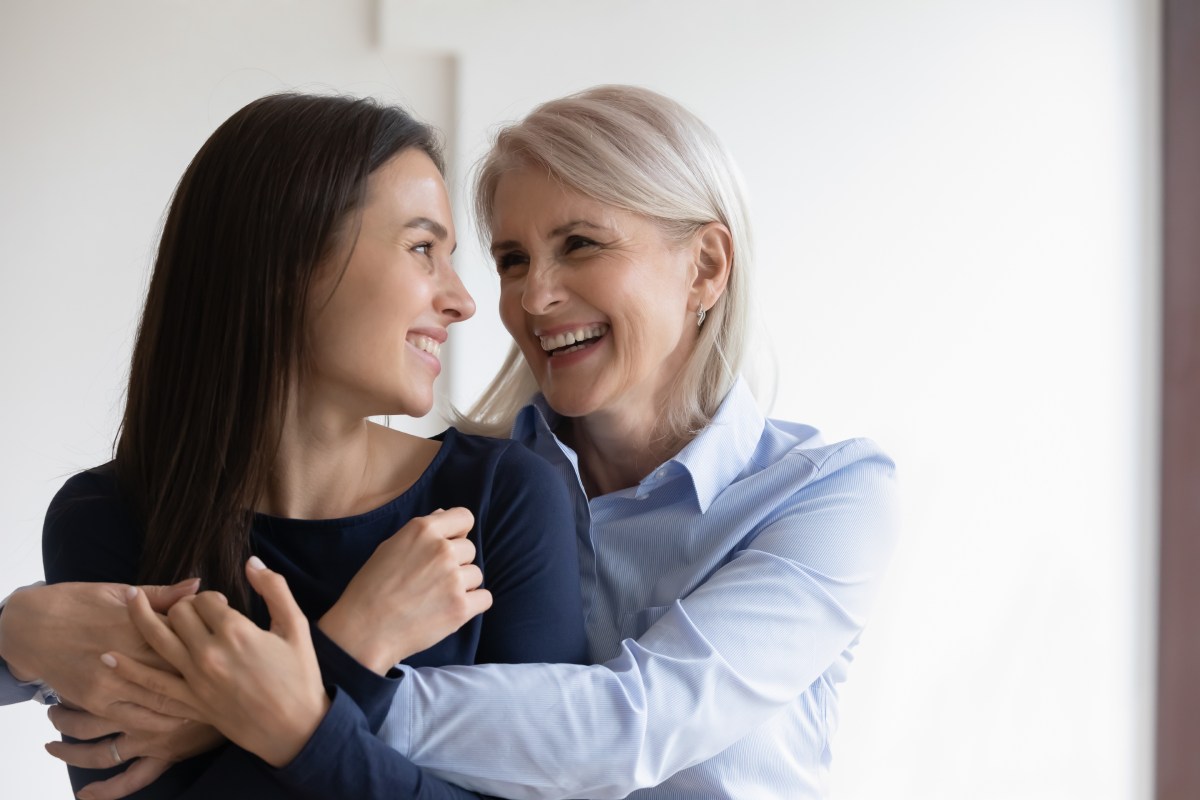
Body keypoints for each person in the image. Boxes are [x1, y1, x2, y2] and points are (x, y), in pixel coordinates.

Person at [2, 84, 897, 799]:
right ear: (283, 267)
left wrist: (276, 698)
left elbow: (632, 727)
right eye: (508, 258)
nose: (514, 300)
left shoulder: (823, 494)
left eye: (580, 244)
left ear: (704, 267)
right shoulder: (505, 483)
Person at [0, 91, 586, 800]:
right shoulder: (104, 516)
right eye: (422, 248)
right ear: (284, 261)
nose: (462, 300)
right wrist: (351, 648)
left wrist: (267, 712)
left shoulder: (502, 500)